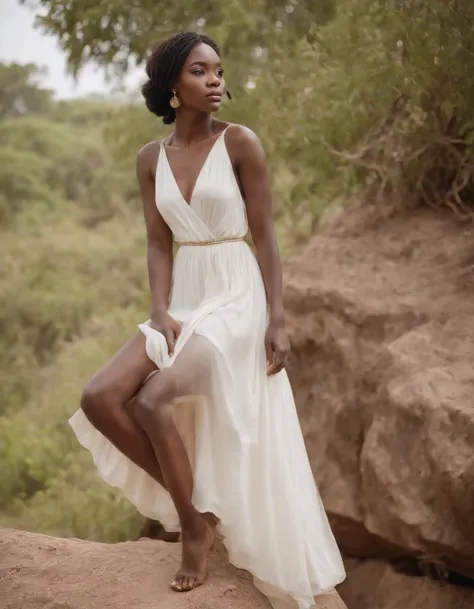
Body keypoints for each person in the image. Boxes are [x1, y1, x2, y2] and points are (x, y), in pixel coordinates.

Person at [69, 31, 347, 609]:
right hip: (187, 297)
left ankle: (195, 527)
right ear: (174, 86)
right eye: (201, 71)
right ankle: (195, 506)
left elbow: (267, 235)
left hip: (237, 294)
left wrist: (277, 318)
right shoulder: (151, 158)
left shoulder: (241, 142)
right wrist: (160, 310)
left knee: (151, 402)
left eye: (219, 70)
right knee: (100, 397)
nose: (216, 80)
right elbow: (157, 242)